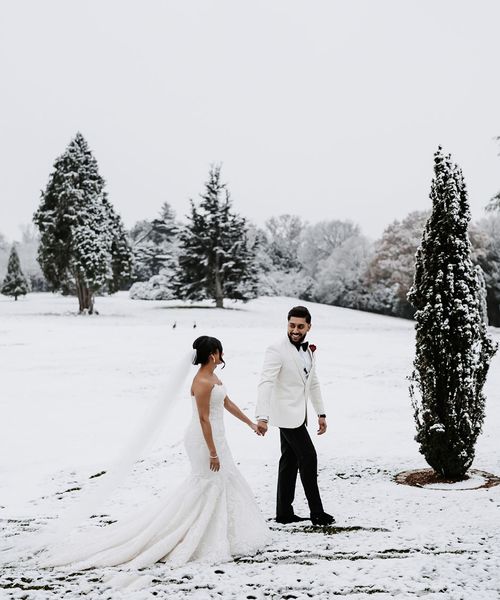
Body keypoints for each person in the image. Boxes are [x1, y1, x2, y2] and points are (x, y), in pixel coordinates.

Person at [39, 336, 270, 571]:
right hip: (203, 440)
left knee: (223, 481)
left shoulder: (214, 377)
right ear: (213, 354)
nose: (222, 355)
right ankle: (186, 533)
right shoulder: (201, 381)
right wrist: (212, 452)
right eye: (220, 351)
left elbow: (227, 403)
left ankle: (226, 532)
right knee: (207, 484)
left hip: (217, 438)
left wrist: (250, 424)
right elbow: (203, 419)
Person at [256, 306, 334, 525]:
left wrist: (321, 413)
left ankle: (284, 513)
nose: (295, 330)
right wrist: (262, 416)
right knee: (308, 457)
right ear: (287, 324)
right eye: (292, 325)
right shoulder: (276, 349)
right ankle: (317, 512)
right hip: (285, 415)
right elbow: (266, 382)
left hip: (300, 414)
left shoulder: (308, 350)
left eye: (300, 326)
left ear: (309, 326)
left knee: (289, 461)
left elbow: (313, 382)